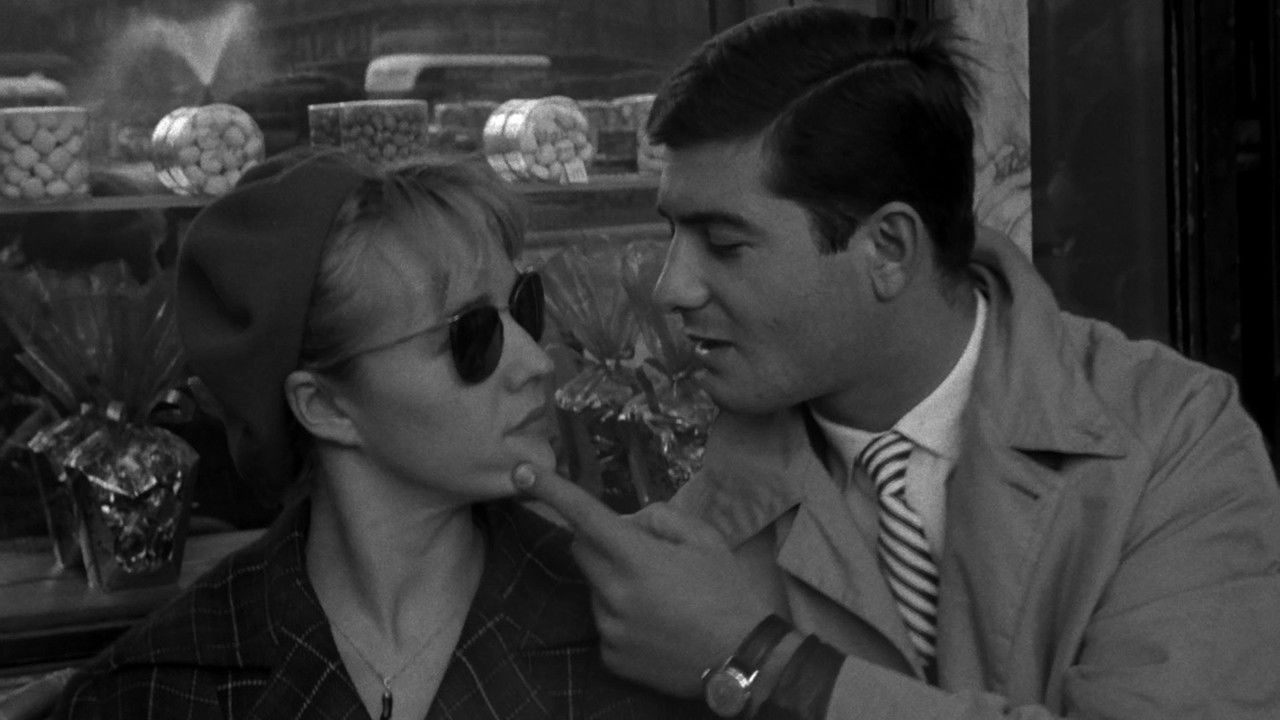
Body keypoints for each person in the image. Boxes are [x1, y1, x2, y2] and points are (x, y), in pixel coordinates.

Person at [509, 6, 1280, 720]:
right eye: (673, 233)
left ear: (887, 248)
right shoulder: (692, 531)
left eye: (725, 243)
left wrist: (758, 662)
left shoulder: (1170, 438)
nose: (671, 287)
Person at [51, 149, 712, 720]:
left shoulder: (635, 636)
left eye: (525, 309)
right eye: (472, 336)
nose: (536, 364)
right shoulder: (157, 690)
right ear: (325, 407)